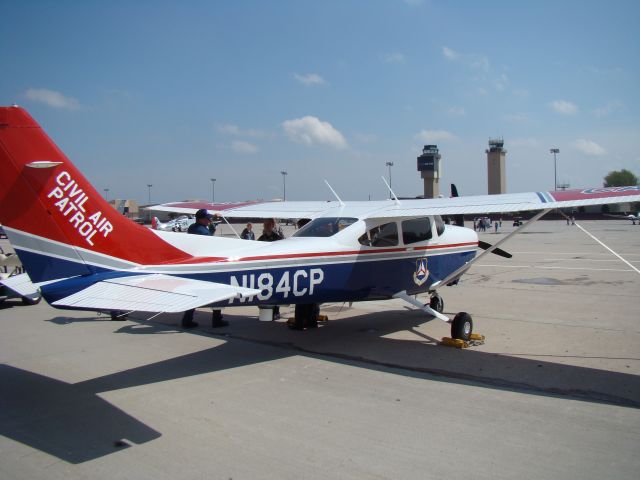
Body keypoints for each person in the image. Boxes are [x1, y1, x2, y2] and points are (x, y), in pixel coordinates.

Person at [181, 209, 229, 329]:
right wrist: (213, 226)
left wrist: (211, 225)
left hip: (193, 265)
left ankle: (187, 319)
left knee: (193, 293)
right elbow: (211, 242)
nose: (209, 220)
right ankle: (216, 319)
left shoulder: (192, 227)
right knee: (218, 291)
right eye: (207, 218)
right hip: (206, 266)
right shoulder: (202, 231)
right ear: (201, 219)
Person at [257, 218, 283, 319]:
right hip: (263, 270)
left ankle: (276, 311)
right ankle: (263, 310)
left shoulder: (278, 239)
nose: (266, 226)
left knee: (276, 292)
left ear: (272, 225)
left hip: (275, 270)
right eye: (265, 225)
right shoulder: (261, 239)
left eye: (268, 224)